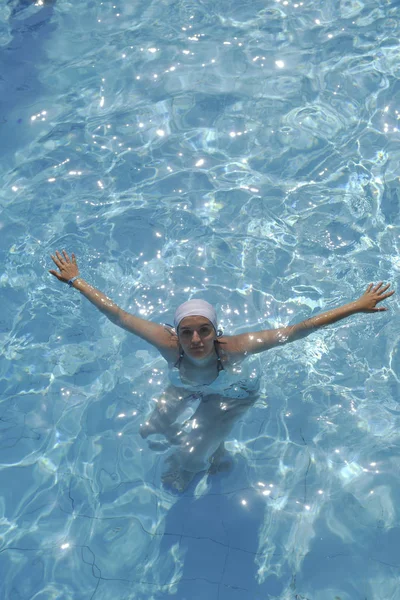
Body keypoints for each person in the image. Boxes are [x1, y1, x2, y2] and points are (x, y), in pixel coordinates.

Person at [49, 249, 395, 491]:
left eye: (205, 330)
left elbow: (297, 330)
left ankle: (205, 456)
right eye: (187, 331)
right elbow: (120, 316)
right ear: (177, 333)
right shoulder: (168, 345)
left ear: (217, 331)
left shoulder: (236, 349)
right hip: (187, 384)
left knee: (190, 455)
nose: (196, 339)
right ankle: (214, 446)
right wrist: (76, 280)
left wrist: (356, 306)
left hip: (231, 394)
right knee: (152, 428)